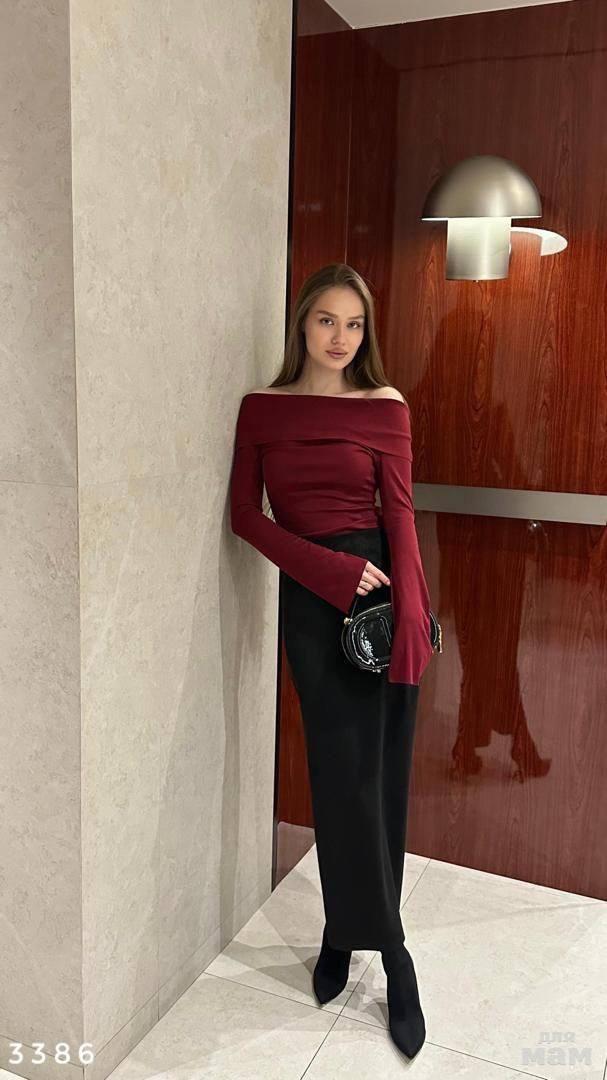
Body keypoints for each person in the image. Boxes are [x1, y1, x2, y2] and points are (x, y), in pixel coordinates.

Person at [228, 262, 435, 1060]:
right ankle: (352, 934)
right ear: (302, 325)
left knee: (377, 778)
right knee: (337, 775)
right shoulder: (262, 407)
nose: (340, 337)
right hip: (315, 602)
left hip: (381, 605)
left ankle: (384, 949)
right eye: (326, 320)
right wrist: (327, 572)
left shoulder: (385, 407)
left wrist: (411, 620)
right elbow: (245, 516)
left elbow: (401, 519)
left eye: (353, 324)